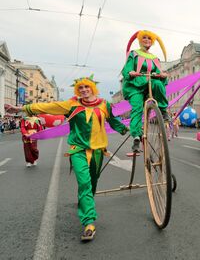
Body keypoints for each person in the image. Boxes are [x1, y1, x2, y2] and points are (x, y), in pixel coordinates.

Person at [6, 75, 128, 241]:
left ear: (93, 88)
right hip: (77, 150)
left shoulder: (104, 104)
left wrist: (126, 130)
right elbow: (46, 106)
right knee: (84, 182)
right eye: (80, 88)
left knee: (92, 182)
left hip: (98, 151)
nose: (84, 90)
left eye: (87, 87)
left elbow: (113, 121)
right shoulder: (72, 105)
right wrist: (19, 109)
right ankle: (89, 222)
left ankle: (85, 202)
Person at [122, 30, 169, 152]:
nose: (147, 40)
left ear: (152, 42)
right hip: (135, 84)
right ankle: (136, 136)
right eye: (144, 38)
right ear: (140, 40)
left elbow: (158, 72)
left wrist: (162, 75)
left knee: (158, 84)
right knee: (137, 107)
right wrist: (130, 72)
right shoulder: (134, 54)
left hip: (149, 82)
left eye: (149, 38)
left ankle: (163, 111)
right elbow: (127, 69)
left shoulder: (155, 58)